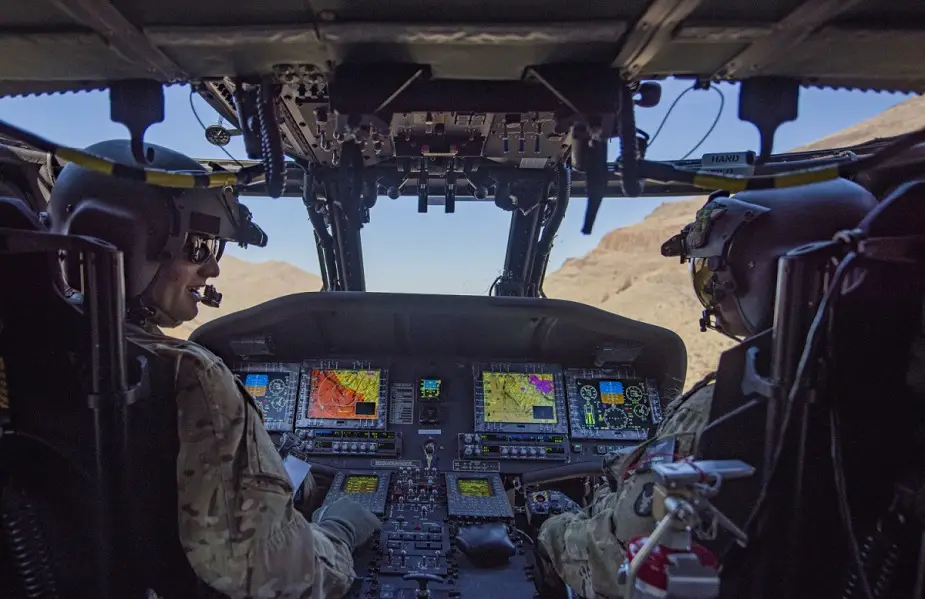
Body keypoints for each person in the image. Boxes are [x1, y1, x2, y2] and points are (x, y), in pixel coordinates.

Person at [48, 139, 380, 599]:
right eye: (199, 247)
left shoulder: (32, 346)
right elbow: (267, 571)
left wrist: (277, 483)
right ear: (136, 244)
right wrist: (339, 533)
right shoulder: (188, 376)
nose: (213, 273)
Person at [535, 178, 879, 599]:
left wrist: (550, 528)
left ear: (756, 279)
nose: (710, 296)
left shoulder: (730, 406)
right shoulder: (883, 386)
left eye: (710, 276)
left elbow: (615, 561)